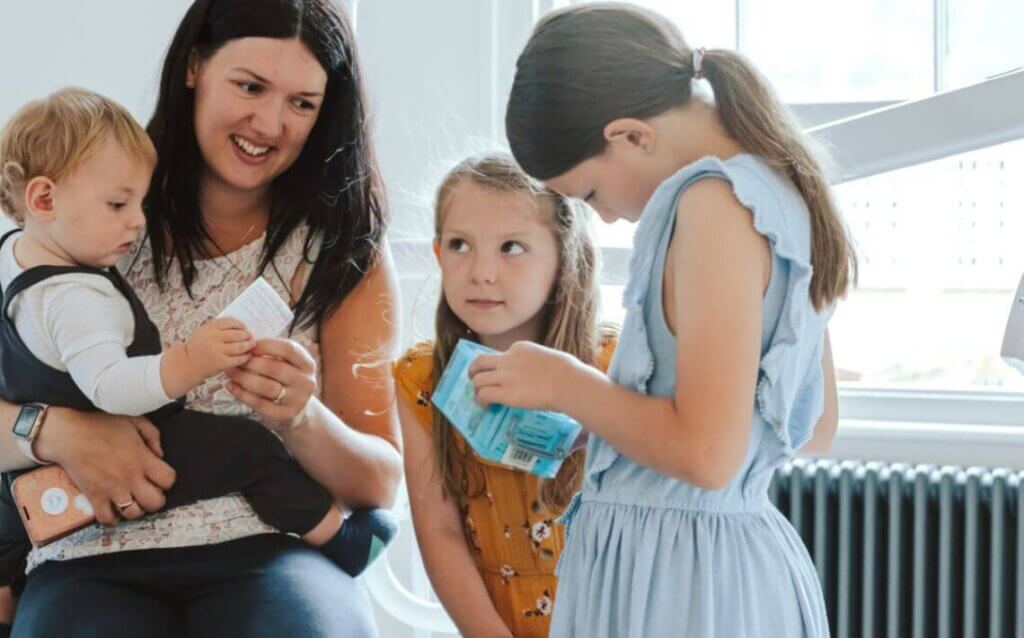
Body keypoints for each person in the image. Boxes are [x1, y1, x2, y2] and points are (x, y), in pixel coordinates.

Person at [0, 1, 401, 636]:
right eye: (249, 86)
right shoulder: (88, 212)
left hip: (272, 549)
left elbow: (379, 484)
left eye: (302, 103)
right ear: (194, 68)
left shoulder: (340, 255)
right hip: (89, 554)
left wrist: (301, 418)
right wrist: (56, 433)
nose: (270, 123)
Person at [478, 4, 852, 636]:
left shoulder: (711, 206)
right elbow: (812, 427)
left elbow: (706, 453)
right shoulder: (779, 194)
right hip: (713, 574)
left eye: (590, 195)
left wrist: (566, 384)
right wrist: (602, 426)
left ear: (631, 136)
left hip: (681, 586)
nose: (606, 217)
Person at [394, 153, 616, 638]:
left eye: (511, 247)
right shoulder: (421, 381)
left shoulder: (614, 368)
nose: (482, 272)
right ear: (437, 254)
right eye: (459, 245)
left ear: (564, 256)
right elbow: (441, 534)